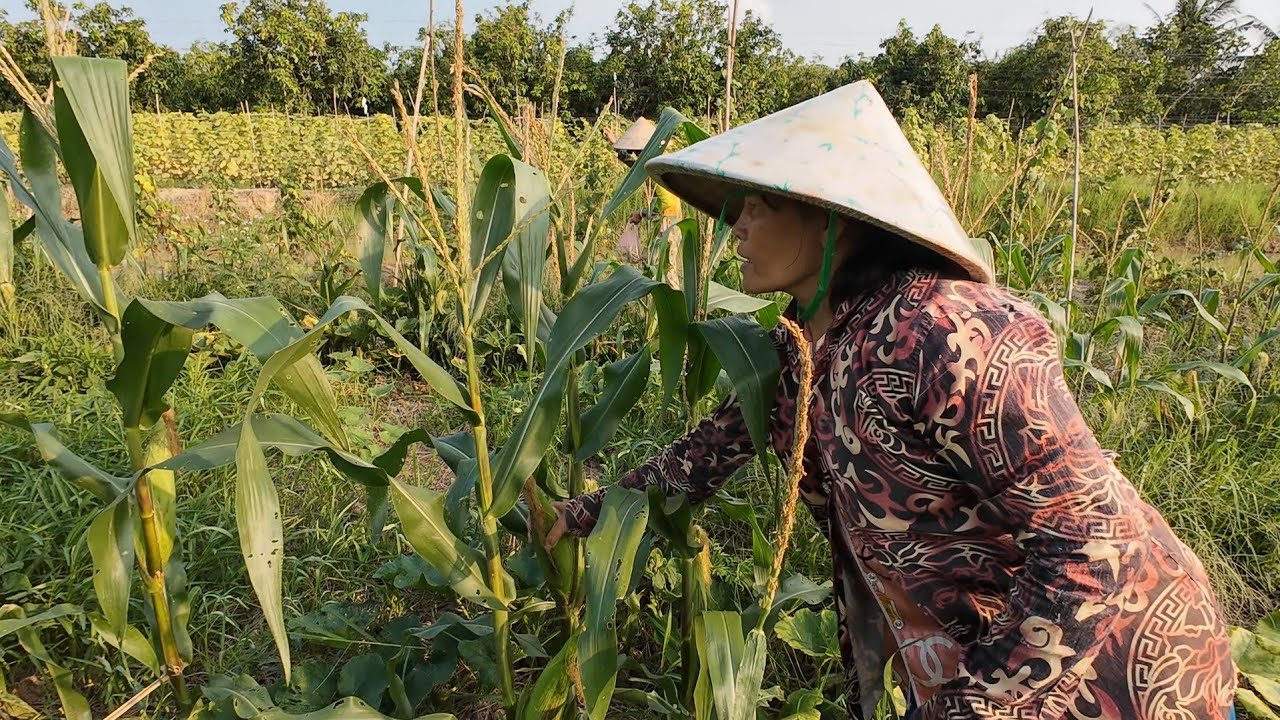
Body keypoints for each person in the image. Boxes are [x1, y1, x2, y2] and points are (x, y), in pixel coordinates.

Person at [544, 81, 1237, 720]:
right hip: (976, 667)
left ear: (833, 219)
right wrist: (585, 512)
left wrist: (976, 707)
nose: (738, 229)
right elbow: (710, 450)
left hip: (1112, 673)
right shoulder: (808, 345)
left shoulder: (949, 332)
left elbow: (1092, 544)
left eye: (761, 204)